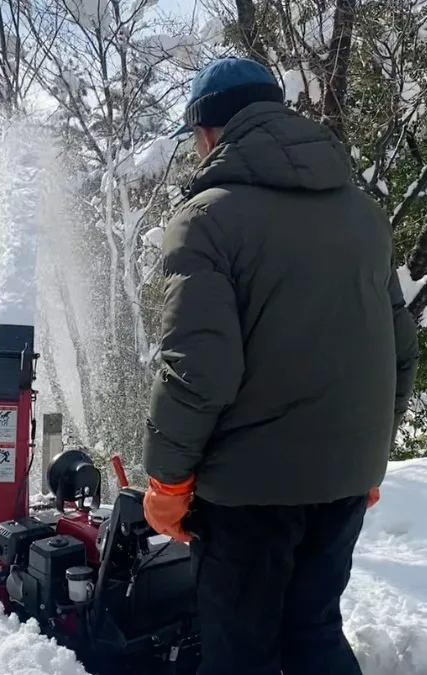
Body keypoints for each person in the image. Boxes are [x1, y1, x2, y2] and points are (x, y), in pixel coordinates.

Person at [141, 56, 419, 675]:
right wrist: (366, 458)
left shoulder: (206, 219)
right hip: (343, 482)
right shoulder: (362, 215)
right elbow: (399, 349)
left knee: (243, 655)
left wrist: (167, 484)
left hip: (248, 496)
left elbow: (197, 370)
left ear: (209, 130)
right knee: (313, 631)